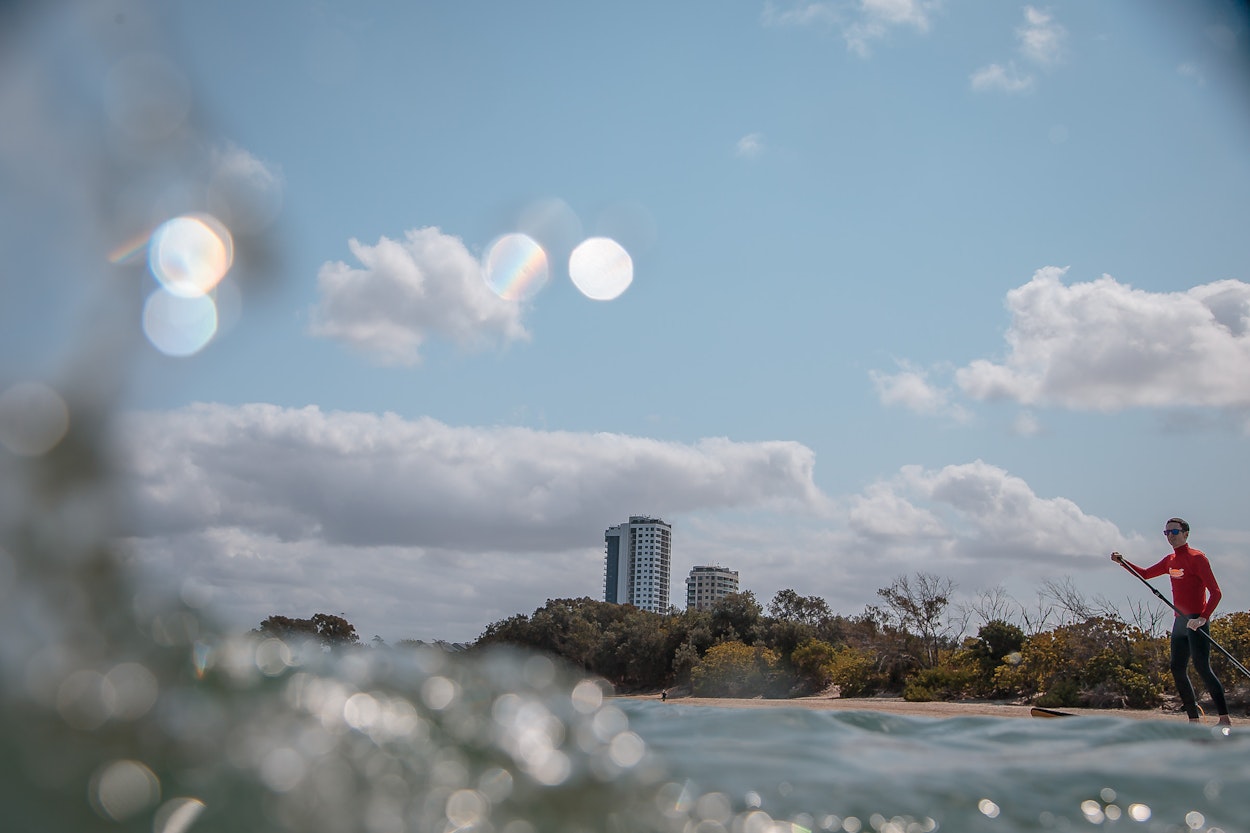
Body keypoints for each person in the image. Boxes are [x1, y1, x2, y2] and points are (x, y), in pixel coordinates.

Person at [1112, 518, 1231, 727]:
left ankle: (1224, 719)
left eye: (1174, 531)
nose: (1171, 536)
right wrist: (1124, 562)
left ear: (1186, 533)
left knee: (1202, 667)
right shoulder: (1170, 560)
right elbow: (1147, 574)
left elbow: (1216, 593)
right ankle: (1193, 720)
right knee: (1177, 668)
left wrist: (1203, 618)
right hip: (1179, 622)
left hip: (1196, 621)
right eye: (1166, 533)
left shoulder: (1198, 558)